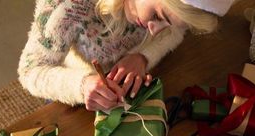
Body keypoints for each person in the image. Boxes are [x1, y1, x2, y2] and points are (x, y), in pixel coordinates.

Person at [18, 0, 235, 111]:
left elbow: (177, 29)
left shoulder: (169, 10)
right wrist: (82, 86)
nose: (155, 30)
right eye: (157, 15)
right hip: (76, 94)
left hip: (128, 86)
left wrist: (141, 56)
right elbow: (31, 70)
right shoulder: (66, 6)